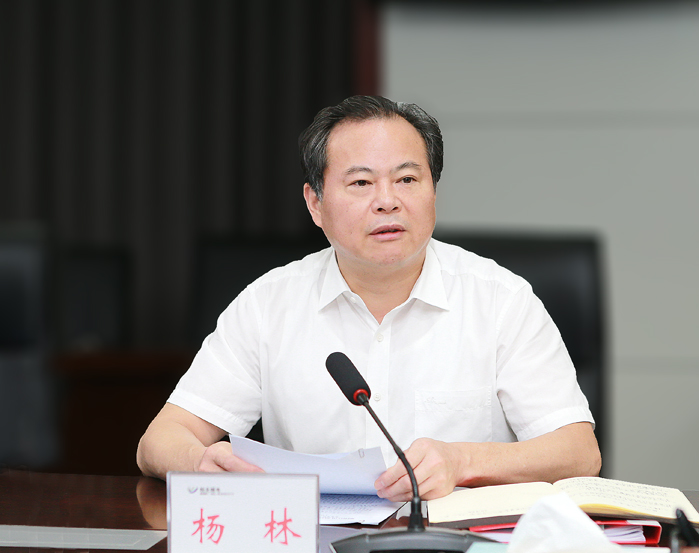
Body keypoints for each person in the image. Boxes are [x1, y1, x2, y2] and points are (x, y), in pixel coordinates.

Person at [137, 95, 601, 501]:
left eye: (407, 180)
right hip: (311, 547)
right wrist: (199, 462)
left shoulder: (501, 301)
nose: (387, 201)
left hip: (456, 547)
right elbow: (161, 439)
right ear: (315, 204)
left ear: (433, 192)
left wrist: (462, 461)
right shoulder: (267, 305)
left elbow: (579, 453)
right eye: (361, 183)